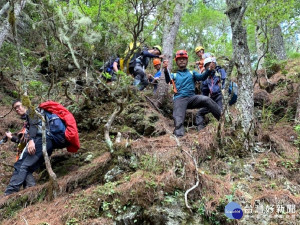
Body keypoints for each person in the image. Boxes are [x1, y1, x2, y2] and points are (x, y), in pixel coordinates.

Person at [4, 100, 68, 195]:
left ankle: (9, 194)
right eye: (15, 108)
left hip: (41, 141)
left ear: (25, 105)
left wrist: (31, 140)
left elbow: (33, 127)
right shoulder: (33, 118)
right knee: (27, 168)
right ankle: (30, 191)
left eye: (18, 106)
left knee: (21, 165)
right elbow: (23, 140)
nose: (17, 109)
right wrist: (12, 138)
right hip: (47, 144)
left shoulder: (31, 112)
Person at [163, 50, 221, 136]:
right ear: (176, 61)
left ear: (187, 60)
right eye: (179, 59)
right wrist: (165, 69)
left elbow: (202, 77)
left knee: (207, 99)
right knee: (178, 118)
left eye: (183, 59)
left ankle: (223, 120)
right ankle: (179, 137)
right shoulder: (174, 75)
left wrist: (209, 70)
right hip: (179, 99)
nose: (182, 60)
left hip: (192, 98)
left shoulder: (192, 73)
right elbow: (168, 80)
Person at [198, 57, 224, 130]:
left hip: (220, 96)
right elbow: (205, 92)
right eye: (207, 65)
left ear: (215, 64)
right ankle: (201, 131)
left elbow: (225, 81)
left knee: (220, 114)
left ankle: (223, 129)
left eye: (211, 64)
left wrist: (223, 88)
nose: (210, 66)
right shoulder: (206, 78)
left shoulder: (220, 71)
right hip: (212, 99)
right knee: (199, 113)